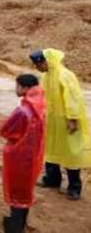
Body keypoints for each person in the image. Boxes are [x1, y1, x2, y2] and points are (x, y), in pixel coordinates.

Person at [31, 49, 91, 200]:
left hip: (66, 120)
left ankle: (74, 187)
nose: (37, 68)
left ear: (46, 61)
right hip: (51, 120)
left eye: (38, 64)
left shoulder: (65, 75)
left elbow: (73, 98)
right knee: (51, 148)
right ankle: (52, 179)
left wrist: (72, 119)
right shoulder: (45, 76)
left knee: (71, 152)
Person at [0, 74, 46, 233]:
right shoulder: (41, 106)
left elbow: (6, 130)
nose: (16, 89)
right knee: (26, 190)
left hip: (18, 156)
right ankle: (20, 222)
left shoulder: (23, 110)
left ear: (25, 88)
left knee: (16, 192)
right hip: (34, 156)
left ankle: (15, 226)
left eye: (17, 86)